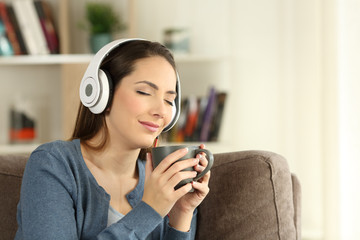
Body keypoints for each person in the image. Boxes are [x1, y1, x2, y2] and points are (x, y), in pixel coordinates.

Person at [15, 39, 211, 239]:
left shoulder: (160, 181)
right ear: (102, 93)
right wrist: (150, 210)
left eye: (169, 100)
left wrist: (181, 215)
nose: (161, 111)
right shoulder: (53, 164)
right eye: (144, 92)